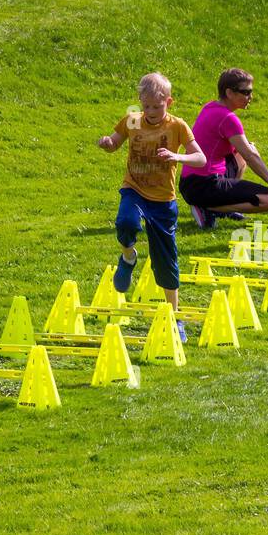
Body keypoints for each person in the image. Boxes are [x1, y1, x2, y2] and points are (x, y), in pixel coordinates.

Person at [97, 73, 206, 341]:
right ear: (140, 103)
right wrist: (107, 144)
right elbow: (115, 142)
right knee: (125, 223)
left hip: (163, 199)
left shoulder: (177, 126)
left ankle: (175, 316)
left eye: (158, 106)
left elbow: (200, 158)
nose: (152, 112)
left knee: (165, 260)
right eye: (147, 106)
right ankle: (128, 257)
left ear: (169, 101)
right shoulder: (132, 119)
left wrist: (176, 155)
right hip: (134, 188)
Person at [180, 68, 268, 229]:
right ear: (229, 93)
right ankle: (207, 208)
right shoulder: (228, 118)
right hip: (202, 185)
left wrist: (251, 151)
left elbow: (247, 152)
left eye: (251, 91)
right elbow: (250, 156)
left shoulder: (211, 106)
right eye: (246, 92)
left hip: (191, 182)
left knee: (244, 152)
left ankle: (219, 207)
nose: (250, 97)